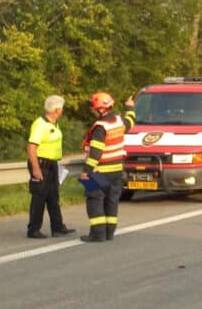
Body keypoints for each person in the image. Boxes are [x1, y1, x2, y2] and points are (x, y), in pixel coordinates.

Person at [79, 91, 135, 243]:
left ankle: (98, 234)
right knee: (112, 201)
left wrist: (86, 171)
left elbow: (95, 153)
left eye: (94, 108)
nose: (92, 111)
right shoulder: (119, 120)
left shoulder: (100, 127)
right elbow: (130, 121)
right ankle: (109, 232)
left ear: (101, 109)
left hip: (99, 172)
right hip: (117, 171)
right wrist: (130, 107)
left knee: (94, 200)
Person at [26, 95, 75, 239]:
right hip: (40, 163)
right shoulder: (40, 124)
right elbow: (31, 147)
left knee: (53, 196)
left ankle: (57, 227)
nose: (63, 110)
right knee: (39, 196)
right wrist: (36, 169)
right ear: (57, 110)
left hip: (52, 164)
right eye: (62, 108)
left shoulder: (54, 124)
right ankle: (33, 229)